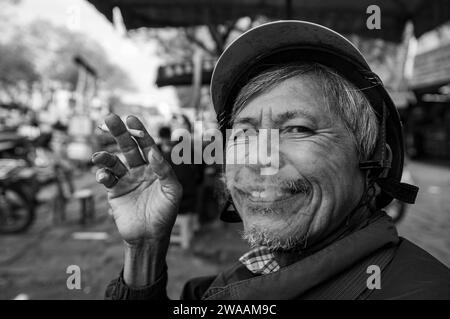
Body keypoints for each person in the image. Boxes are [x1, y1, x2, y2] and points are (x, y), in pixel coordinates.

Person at [92, 21, 450, 300]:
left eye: (296, 129)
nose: (259, 159)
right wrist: (145, 250)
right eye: (244, 134)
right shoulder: (248, 276)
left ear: (377, 162)